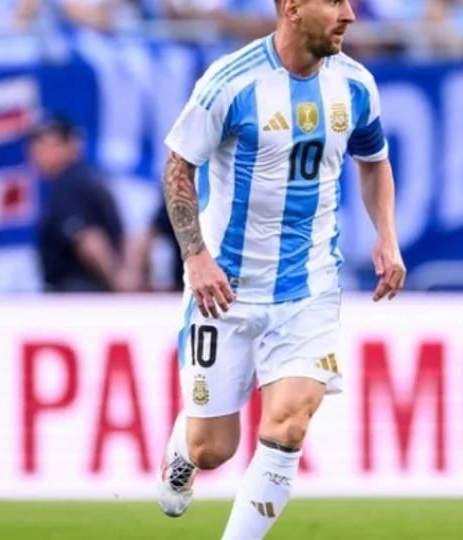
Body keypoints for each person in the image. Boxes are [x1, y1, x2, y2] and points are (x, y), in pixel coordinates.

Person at [156, 0, 406, 538]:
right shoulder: (230, 82)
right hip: (225, 290)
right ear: (292, 7)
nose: (349, 14)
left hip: (309, 287)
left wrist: (387, 235)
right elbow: (178, 166)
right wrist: (196, 257)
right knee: (212, 448)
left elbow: (374, 161)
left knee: (289, 424)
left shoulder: (356, 85)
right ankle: (183, 448)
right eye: (334, 1)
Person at [29, 113, 129, 293]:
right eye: (37, 145)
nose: (41, 152)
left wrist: (118, 283)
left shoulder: (70, 184)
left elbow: (90, 240)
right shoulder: (84, 178)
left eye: (52, 145)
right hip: (91, 291)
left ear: (72, 145)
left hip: (80, 292)